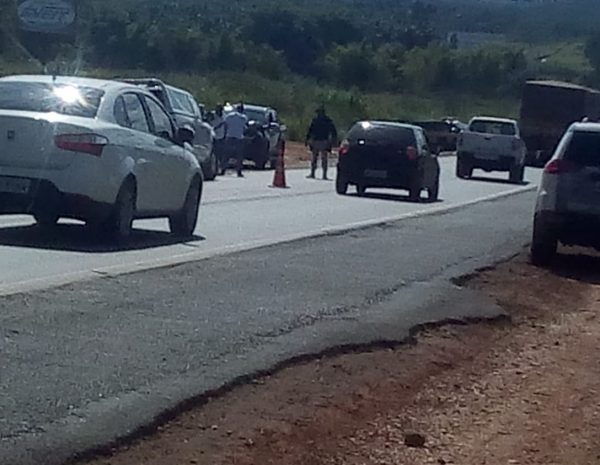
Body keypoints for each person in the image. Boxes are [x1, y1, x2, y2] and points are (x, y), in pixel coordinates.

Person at [305, 106, 338, 180]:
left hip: (321, 141)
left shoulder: (319, 120)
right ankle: (319, 174)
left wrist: (307, 139)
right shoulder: (326, 120)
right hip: (320, 141)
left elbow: (310, 130)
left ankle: (317, 174)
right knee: (319, 158)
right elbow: (310, 130)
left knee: (319, 158)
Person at [223, 103, 248, 177]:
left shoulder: (229, 116)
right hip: (239, 138)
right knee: (239, 156)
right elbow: (244, 127)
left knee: (226, 155)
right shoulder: (243, 117)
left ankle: (223, 169)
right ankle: (239, 171)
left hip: (229, 136)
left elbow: (225, 125)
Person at [210, 104, 227, 174]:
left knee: (221, 154)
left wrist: (225, 135)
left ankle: (222, 169)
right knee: (214, 154)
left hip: (221, 136)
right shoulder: (212, 114)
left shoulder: (224, 115)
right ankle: (215, 169)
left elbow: (225, 125)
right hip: (213, 135)